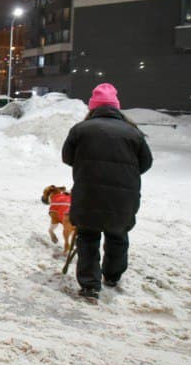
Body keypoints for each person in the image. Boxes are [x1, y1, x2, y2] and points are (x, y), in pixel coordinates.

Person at [62, 83, 153, 301]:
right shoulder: (133, 132)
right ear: (116, 108)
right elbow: (146, 163)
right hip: (122, 197)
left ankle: (90, 285)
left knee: (88, 238)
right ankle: (112, 276)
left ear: (93, 108)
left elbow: (67, 157)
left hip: (88, 194)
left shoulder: (80, 130)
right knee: (118, 236)